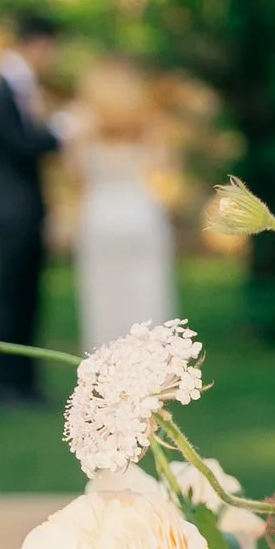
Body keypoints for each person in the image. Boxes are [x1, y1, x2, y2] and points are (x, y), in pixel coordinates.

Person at [0, 10, 64, 407]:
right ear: (37, 44)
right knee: (10, 298)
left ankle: (25, 382)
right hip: (12, 209)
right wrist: (61, 132)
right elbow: (18, 145)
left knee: (28, 298)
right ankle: (6, 384)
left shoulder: (18, 87)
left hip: (27, 208)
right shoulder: (0, 91)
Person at [67, 56, 179, 350]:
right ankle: (151, 361)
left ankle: (107, 364)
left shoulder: (81, 123)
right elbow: (164, 166)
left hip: (100, 212)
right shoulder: (147, 120)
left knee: (103, 296)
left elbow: (75, 172)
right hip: (139, 209)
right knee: (147, 293)